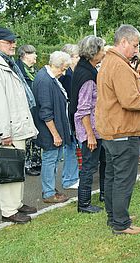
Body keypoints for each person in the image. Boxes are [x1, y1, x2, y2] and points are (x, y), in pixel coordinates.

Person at [95, 24, 140, 235]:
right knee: (123, 179)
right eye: (134, 45)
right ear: (123, 42)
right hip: (123, 132)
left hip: (113, 131)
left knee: (113, 177)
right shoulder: (120, 66)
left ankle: (115, 216)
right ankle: (121, 224)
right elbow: (129, 99)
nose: (136, 49)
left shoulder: (109, 61)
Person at [0, 27, 38, 224]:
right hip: (11, 129)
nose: (13, 44)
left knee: (18, 167)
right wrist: (4, 132)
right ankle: (8, 210)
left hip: (18, 125)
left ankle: (17, 203)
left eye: (13, 41)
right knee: (10, 168)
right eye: (8, 42)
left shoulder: (9, 63)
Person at [32, 51, 75, 203]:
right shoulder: (45, 80)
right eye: (63, 69)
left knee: (55, 159)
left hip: (54, 128)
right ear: (55, 65)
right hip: (48, 130)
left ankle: (50, 187)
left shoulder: (50, 77)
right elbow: (45, 112)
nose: (63, 73)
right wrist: (55, 135)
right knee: (50, 159)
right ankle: (48, 192)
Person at [72, 35, 106, 213]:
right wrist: (90, 135)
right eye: (102, 50)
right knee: (88, 167)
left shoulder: (88, 68)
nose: (104, 53)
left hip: (98, 128)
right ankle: (83, 204)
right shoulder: (86, 75)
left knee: (104, 161)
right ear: (94, 52)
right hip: (90, 130)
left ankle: (104, 194)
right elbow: (82, 109)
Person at [16, 44, 42, 176]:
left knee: (37, 135)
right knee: (27, 138)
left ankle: (36, 161)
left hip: (36, 109)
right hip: (24, 110)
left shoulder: (35, 70)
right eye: (33, 53)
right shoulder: (17, 70)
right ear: (25, 55)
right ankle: (26, 164)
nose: (36, 55)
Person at [58, 44, 80, 190]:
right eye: (76, 56)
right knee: (70, 147)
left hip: (72, 114)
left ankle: (72, 176)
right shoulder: (66, 76)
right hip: (68, 115)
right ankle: (69, 179)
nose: (78, 59)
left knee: (72, 147)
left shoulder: (72, 73)